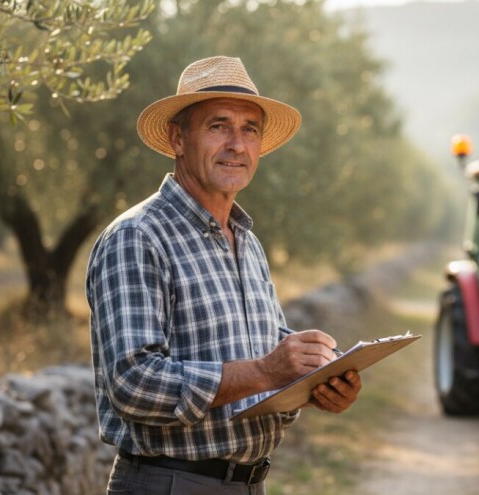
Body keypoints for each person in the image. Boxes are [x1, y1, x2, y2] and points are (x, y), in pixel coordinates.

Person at [86, 56, 362, 495]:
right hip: (168, 484)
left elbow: (262, 358)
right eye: (219, 126)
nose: (237, 145)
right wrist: (266, 372)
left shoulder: (247, 242)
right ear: (178, 138)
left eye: (250, 129)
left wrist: (315, 381)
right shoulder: (138, 237)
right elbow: (134, 383)